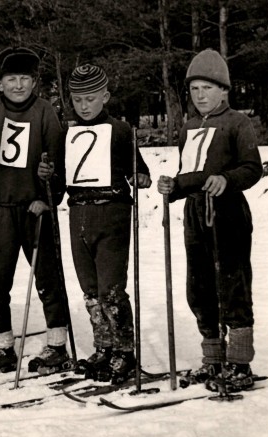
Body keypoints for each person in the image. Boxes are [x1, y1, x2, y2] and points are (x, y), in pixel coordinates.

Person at [157, 49, 262, 391]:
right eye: (194, 90)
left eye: (207, 88)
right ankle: (213, 361)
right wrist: (172, 186)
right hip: (195, 214)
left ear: (224, 90)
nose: (200, 96)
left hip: (227, 211)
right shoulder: (188, 127)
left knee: (231, 283)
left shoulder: (237, 122)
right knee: (199, 287)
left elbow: (251, 167)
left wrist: (227, 179)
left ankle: (240, 364)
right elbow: (188, 174)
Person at [0, 47, 71, 374]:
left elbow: (58, 160)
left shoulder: (44, 112)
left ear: (35, 82)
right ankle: (3, 347)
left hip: (35, 209)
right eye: (12, 79)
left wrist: (48, 198)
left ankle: (56, 345)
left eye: (25, 79)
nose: (19, 85)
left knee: (49, 280)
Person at [40, 65, 152, 384]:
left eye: (90, 98)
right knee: (90, 289)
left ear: (105, 96)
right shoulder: (66, 133)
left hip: (111, 211)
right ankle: (104, 346)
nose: (84, 106)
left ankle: (124, 351)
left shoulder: (119, 130)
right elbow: (60, 181)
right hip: (78, 213)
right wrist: (48, 178)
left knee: (111, 289)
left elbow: (137, 170)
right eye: (77, 100)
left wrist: (139, 177)